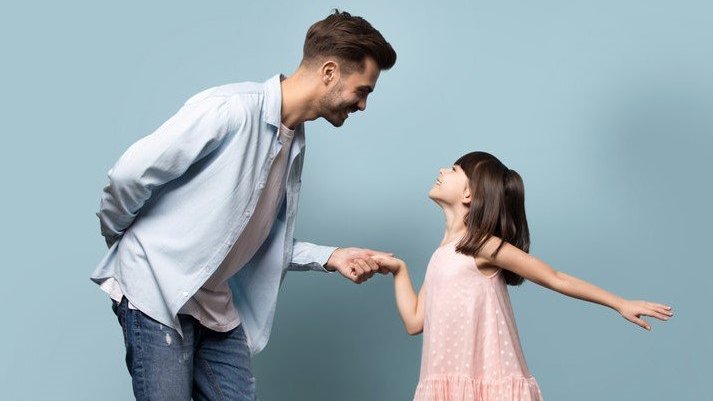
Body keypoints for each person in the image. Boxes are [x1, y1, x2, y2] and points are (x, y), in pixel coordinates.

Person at [90, 10, 396, 401]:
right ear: (330, 71)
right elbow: (130, 174)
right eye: (364, 90)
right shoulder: (231, 109)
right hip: (156, 292)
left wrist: (331, 256)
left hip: (213, 306)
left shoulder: (294, 142)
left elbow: (257, 238)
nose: (364, 105)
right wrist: (120, 236)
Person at [371, 151, 673, 401]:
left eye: (453, 169)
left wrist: (619, 303)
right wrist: (400, 271)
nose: (442, 170)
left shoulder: (481, 245)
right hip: (446, 389)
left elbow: (553, 276)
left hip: (489, 387)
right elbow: (414, 321)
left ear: (468, 193)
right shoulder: (441, 254)